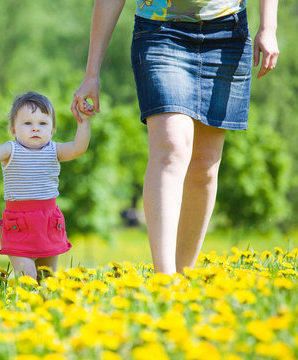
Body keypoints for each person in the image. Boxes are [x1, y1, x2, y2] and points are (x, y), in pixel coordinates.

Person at [72, 0, 279, 275]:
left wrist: (269, 26)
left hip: (228, 34)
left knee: (204, 165)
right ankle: (165, 281)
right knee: (171, 145)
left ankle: (184, 277)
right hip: (160, 31)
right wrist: (91, 73)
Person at [0, 91, 91, 279]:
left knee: (47, 278)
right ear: (13, 130)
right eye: (28, 123)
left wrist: (84, 122)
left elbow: (79, 148)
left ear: (52, 129)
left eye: (43, 123)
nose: (35, 128)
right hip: (19, 223)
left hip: (48, 222)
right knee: (28, 278)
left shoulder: (55, 150)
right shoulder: (10, 150)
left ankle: (44, 306)